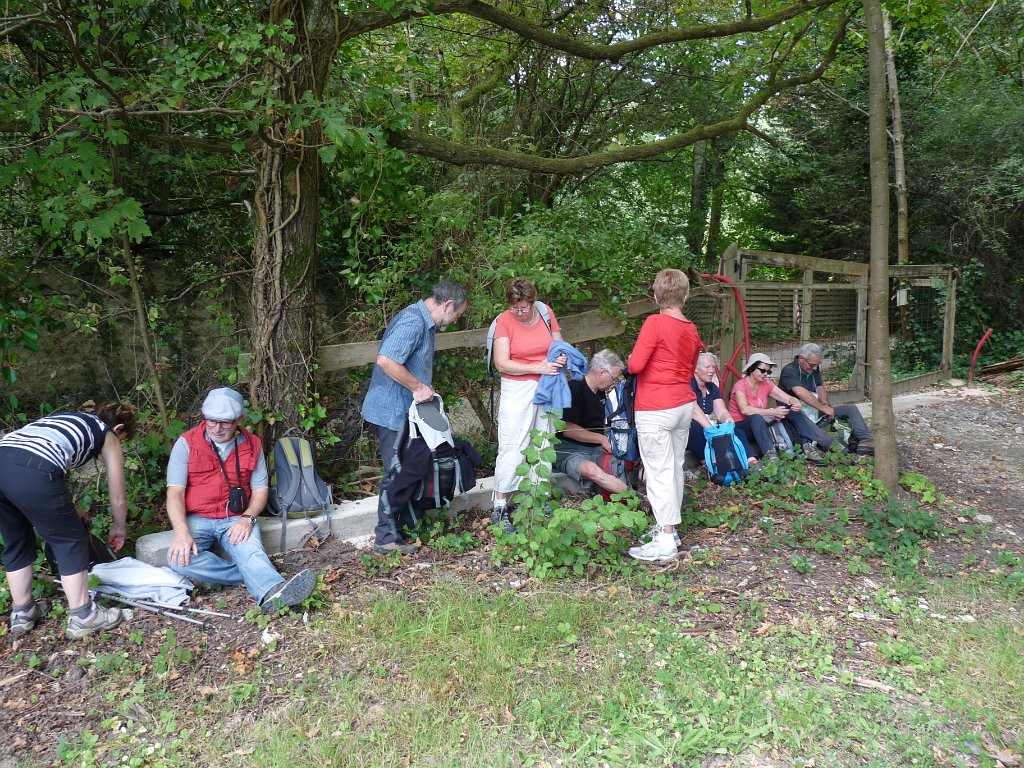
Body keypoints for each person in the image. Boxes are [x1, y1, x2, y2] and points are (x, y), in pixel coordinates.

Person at [166, 387, 315, 613]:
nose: (217, 428)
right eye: (212, 421)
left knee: (251, 550)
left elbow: (260, 490)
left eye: (225, 422)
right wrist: (181, 532)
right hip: (198, 518)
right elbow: (174, 493)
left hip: (236, 516)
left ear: (239, 420)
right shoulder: (186, 444)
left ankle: (271, 594)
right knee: (178, 560)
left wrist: (247, 518)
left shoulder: (252, 444)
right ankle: (248, 573)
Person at [0, 403, 137, 639]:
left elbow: (49, 468)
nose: (118, 445)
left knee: (17, 539)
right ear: (119, 428)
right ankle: (84, 616)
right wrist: (119, 527)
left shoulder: (70, 420)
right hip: (33, 467)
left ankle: (23, 612)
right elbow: (118, 495)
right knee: (70, 540)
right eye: (122, 439)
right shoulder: (107, 434)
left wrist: (72, 510)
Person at [361, 280, 469, 554]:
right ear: (447, 305)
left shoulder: (425, 323)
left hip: (407, 414)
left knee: (415, 467)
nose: (456, 320)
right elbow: (386, 360)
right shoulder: (413, 321)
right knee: (396, 473)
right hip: (391, 411)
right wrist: (418, 387)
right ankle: (385, 538)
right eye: (457, 314)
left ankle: (408, 524)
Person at [626, 269, 702, 562]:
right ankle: (668, 529)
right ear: (684, 296)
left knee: (658, 472)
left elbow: (635, 364)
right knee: (673, 468)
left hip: (656, 406)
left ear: (657, 296)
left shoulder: (654, 323)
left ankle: (666, 538)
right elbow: (692, 364)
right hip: (683, 404)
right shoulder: (692, 329)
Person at [491, 276, 566, 532]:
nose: (520, 313)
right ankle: (500, 505)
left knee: (544, 440)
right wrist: (537, 366)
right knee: (514, 443)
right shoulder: (504, 321)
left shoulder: (545, 312)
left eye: (524, 307)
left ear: (532, 301)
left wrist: (561, 356)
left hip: (547, 384)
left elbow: (557, 343)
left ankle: (538, 498)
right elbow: (502, 362)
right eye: (515, 308)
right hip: (517, 387)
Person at [553, 349, 630, 497]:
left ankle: (642, 497)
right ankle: (634, 498)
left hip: (596, 450)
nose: (614, 382)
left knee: (626, 460)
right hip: (569, 451)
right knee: (591, 470)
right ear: (602, 372)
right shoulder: (574, 389)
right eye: (613, 378)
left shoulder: (600, 392)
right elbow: (568, 429)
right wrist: (601, 439)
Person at [728, 353, 828, 463]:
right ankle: (770, 454)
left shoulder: (766, 384)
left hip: (761, 424)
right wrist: (773, 412)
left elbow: (788, 398)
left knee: (792, 411)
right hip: (741, 427)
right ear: (751, 368)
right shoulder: (740, 385)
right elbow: (745, 410)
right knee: (756, 418)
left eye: (768, 371)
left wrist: (795, 402)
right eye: (762, 370)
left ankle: (807, 445)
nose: (766, 374)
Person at [778, 342, 875, 455]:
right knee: (798, 413)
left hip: (815, 410)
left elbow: (820, 386)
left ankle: (866, 439)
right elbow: (800, 392)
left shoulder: (812, 368)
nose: (814, 368)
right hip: (795, 412)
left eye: (817, 365)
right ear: (801, 359)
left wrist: (825, 404)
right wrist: (823, 408)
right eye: (812, 365)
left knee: (850, 408)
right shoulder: (789, 370)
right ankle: (831, 444)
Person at [688, 352, 758, 470]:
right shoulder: (688, 384)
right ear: (695, 368)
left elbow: (721, 411)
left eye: (713, 367)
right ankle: (709, 463)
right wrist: (713, 430)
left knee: (737, 431)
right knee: (693, 427)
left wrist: (727, 420)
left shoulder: (711, 387)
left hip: (707, 426)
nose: (711, 371)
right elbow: (694, 411)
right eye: (707, 367)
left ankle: (752, 462)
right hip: (691, 427)